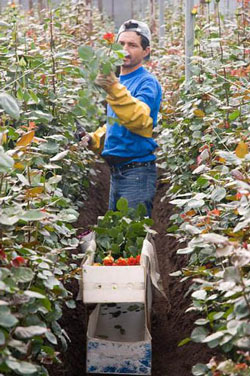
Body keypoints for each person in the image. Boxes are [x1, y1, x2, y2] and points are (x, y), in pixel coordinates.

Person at [83, 19, 162, 217]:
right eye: (121, 44)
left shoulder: (147, 83)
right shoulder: (120, 81)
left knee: (132, 239)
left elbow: (139, 120)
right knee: (117, 237)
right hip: (118, 172)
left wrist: (113, 88)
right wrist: (94, 139)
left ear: (146, 51)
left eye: (132, 45)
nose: (125, 50)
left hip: (137, 174)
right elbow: (117, 123)